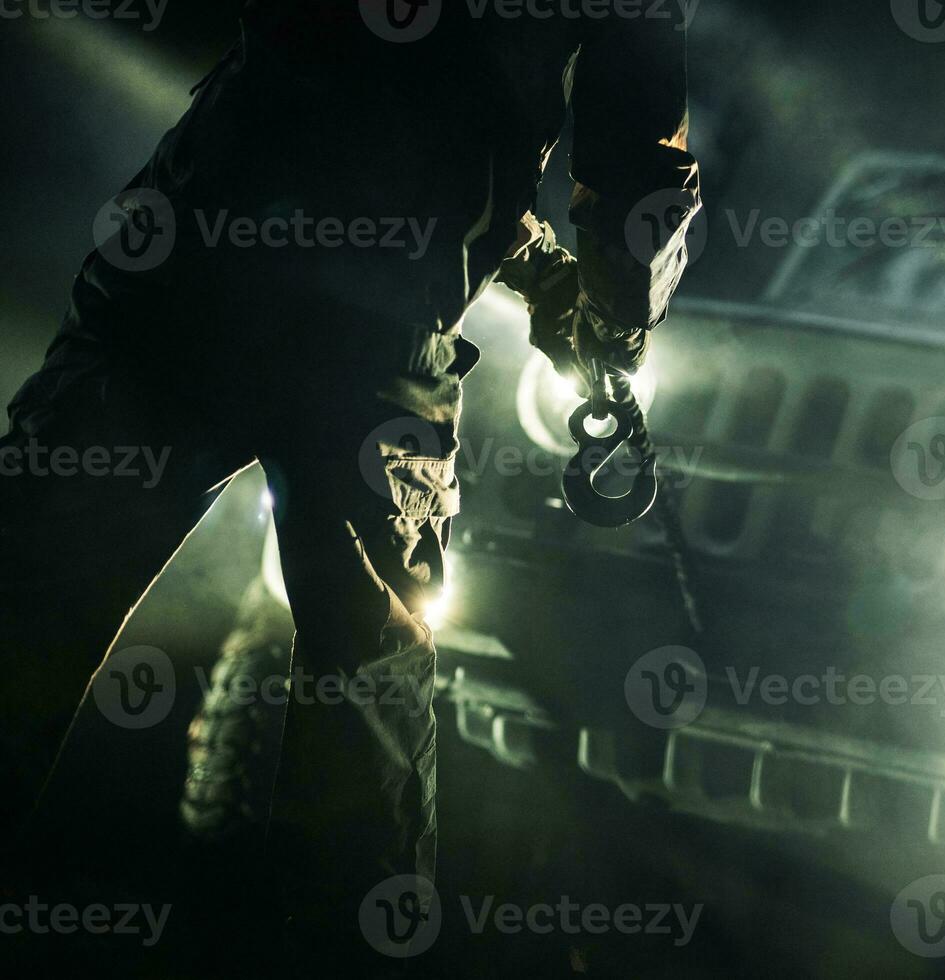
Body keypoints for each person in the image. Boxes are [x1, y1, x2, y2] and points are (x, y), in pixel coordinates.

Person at [0, 0, 700, 965]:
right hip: (374, 343)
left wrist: (539, 272)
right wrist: (615, 322)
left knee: (27, 602)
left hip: (187, 267)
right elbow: (632, 165)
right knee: (366, 712)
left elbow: (362, 95)